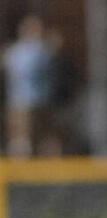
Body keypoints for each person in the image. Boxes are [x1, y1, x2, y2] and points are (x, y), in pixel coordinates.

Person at [2, 15, 60, 157]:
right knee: (22, 137)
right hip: (21, 101)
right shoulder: (17, 52)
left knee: (45, 136)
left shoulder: (43, 50)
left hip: (42, 101)